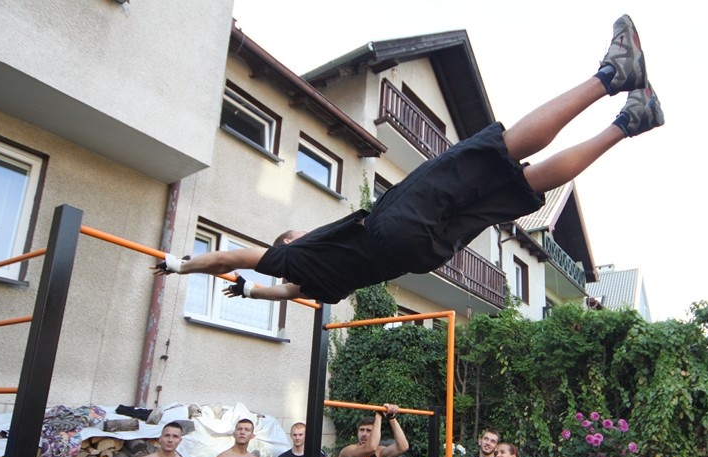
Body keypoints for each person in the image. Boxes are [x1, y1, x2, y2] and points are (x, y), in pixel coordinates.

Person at [153, 15, 664, 305]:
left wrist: (250, 293)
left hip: (423, 254)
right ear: (288, 245)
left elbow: (283, 295)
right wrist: (181, 264)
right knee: (497, 151)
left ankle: (632, 120)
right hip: (396, 227)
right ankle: (613, 75)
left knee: (522, 185)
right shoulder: (293, 257)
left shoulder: (319, 284)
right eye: (288, 236)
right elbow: (228, 256)